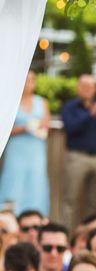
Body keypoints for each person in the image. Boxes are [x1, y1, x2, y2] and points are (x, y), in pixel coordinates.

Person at [60, 74, 96, 228]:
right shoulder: (70, 107)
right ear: (78, 87)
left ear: (95, 89)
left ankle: (90, 235)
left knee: (94, 202)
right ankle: (66, 236)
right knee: (70, 200)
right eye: (84, 86)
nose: (87, 89)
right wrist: (90, 114)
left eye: (91, 86)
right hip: (77, 157)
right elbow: (71, 128)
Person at [0, 71, 50, 217]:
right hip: (17, 149)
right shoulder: (10, 101)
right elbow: (4, 130)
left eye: (32, 79)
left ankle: (36, 216)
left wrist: (39, 128)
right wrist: (24, 128)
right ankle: (9, 216)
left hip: (36, 149)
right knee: (14, 179)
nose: (30, 83)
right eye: (27, 79)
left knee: (36, 181)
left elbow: (46, 126)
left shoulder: (42, 102)